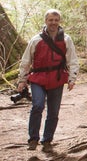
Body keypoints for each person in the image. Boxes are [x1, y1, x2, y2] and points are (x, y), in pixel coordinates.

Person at [17, 9, 79, 152]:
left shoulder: (66, 40)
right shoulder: (36, 40)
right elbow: (26, 61)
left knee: (53, 112)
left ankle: (47, 141)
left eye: (56, 20)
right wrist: (22, 80)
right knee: (37, 106)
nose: (53, 23)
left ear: (59, 22)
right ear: (46, 21)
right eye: (51, 20)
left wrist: (72, 78)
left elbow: (72, 60)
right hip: (38, 79)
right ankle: (33, 139)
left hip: (57, 79)